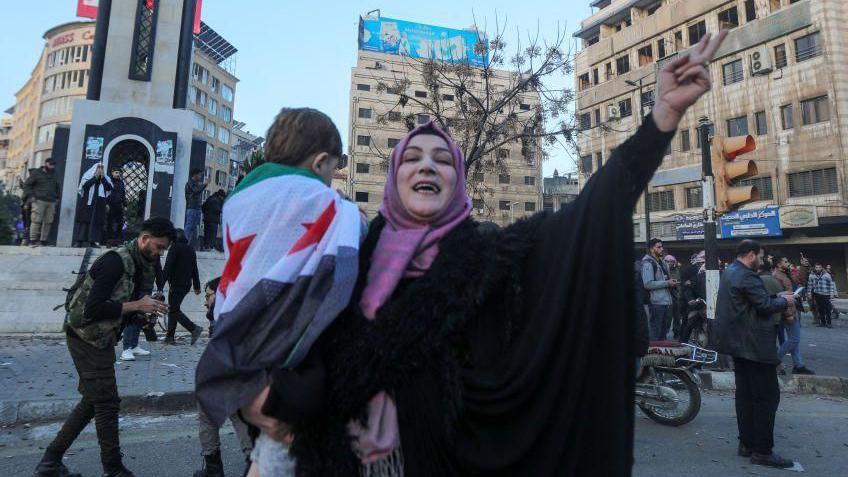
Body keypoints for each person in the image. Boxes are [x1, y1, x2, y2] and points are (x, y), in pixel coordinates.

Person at [244, 31, 729, 476]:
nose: (426, 166)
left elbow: (593, 212)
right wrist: (252, 396)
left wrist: (661, 119)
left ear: (457, 181)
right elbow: (271, 326)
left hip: (458, 460)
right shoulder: (352, 249)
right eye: (411, 158)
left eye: (441, 159)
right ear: (394, 179)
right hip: (344, 459)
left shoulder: (494, 253)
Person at [195, 107, 361, 477]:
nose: (331, 180)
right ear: (321, 162)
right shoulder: (328, 206)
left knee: (267, 453)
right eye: (332, 170)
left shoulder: (238, 199)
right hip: (293, 358)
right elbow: (346, 263)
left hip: (240, 341)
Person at [33, 217, 174, 477]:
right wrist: (136, 306)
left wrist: (145, 313)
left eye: (163, 249)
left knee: (93, 400)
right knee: (107, 403)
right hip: (84, 336)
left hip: (102, 338)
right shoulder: (114, 261)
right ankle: (113, 468)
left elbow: (124, 308)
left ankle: (51, 461)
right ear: (144, 239)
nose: (160, 253)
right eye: (158, 246)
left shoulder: (142, 264)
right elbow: (93, 309)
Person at [713, 240, 795, 469]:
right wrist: (785, 300)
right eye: (760, 255)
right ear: (751, 254)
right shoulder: (747, 275)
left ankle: (747, 444)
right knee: (767, 398)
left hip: (739, 346)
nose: (762, 259)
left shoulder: (730, 271)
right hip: (755, 346)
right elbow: (764, 306)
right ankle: (762, 451)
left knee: (746, 396)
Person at [194, 277, 253, 477]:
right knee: (235, 413)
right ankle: (252, 461)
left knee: (225, 410)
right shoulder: (224, 313)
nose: (205, 301)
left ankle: (216, 469)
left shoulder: (226, 315)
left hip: (234, 372)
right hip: (236, 373)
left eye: (209, 295)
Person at [772, 256, 814, 375]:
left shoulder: (786, 274)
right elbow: (781, 297)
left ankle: (798, 365)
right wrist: (788, 314)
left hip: (792, 308)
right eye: (785, 262)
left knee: (793, 340)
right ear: (779, 264)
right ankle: (775, 360)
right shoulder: (776, 276)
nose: (788, 263)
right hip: (787, 311)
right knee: (794, 339)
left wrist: (804, 267)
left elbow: (798, 280)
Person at [162, 229, 204, 345]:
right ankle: (170, 337)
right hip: (186, 285)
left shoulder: (174, 248)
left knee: (173, 310)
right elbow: (194, 269)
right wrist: (197, 286)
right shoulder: (190, 249)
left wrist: (161, 282)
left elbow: (168, 267)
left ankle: (194, 329)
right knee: (173, 309)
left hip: (176, 284)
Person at [642, 239, 678, 340]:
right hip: (656, 303)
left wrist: (670, 282)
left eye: (662, 247)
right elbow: (647, 283)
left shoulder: (661, 263)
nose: (661, 249)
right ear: (651, 249)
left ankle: (661, 355)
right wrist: (667, 283)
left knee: (663, 335)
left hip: (664, 302)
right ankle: (652, 355)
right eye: (658, 247)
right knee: (655, 334)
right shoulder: (648, 264)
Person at [74, 163, 113, 247]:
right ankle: (79, 241)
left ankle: (93, 241)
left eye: (102, 167)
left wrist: (102, 178)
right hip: (88, 202)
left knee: (96, 223)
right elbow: (85, 186)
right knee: (84, 221)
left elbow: (109, 188)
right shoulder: (88, 176)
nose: (100, 169)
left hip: (99, 203)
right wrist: (95, 177)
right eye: (99, 167)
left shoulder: (106, 178)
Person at [23, 158, 60, 247]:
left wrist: (57, 198)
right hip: (38, 200)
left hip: (51, 201)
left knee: (48, 222)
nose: (52, 166)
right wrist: (31, 196)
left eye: (53, 165)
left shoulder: (54, 173)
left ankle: (43, 241)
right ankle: (32, 240)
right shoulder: (36, 173)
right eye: (50, 164)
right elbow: (27, 185)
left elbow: (57, 186)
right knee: (36, 220)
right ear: (45, 164)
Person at [185, 168, 209, 250]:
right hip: (192, 208)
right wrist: (204, 185)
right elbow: (196, 191)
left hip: (196, 208)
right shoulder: (190, 183)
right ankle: (184, 244)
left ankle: (192, 246)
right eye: (199, 174)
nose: (200, 176)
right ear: (194, 175)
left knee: (194, 228)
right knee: (189, 226)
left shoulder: (196, 183)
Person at [808, 263, 836, 328]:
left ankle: (829, 323)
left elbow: (831, 284)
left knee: (827, 309)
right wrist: (809, 293)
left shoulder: (827, 275)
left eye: (819, 267)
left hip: (826, 294)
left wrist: (832, 294)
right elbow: (810, 284)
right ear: (814, 268)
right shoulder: (812, 275)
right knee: (820, 309)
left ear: (821, 268)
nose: (818, 269)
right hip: (817, 294)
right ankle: (823, 322)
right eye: (816, 267)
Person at [105, 168, 127, 245]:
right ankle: (109, 240)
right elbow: (106, 192)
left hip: (119, 205)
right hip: (110, 204)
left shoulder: (121, 182)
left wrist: (125, 205)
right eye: (116, 172)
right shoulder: (109, 181)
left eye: (119, 173)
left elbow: (123, 194)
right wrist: (106, 203)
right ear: (112, 173)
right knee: (110, 223)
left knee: (120, 223)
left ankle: (117, 240)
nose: (118, 174)